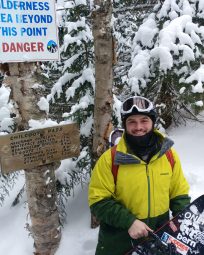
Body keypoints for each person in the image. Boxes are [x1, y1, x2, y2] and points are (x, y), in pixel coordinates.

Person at [88, 96, 190, 255]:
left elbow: (179, 194)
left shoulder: (168, 155)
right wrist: (129, 222)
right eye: (132, 122)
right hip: (119, 243)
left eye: (144, 120)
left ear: (153, 122)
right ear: (125, 125)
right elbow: (98, 201)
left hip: (157, 240)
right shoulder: (110, 159)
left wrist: (184, 222)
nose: (138, 127)